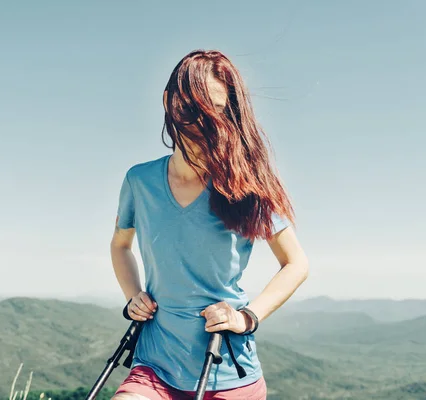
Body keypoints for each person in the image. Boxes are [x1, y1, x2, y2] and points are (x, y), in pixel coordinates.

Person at [109, 49, 309, 400]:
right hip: (154, 366)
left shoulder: (248, 185)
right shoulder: (139, 181)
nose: (201, 123)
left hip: (228, 371)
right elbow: (120, 245)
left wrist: (247, 317)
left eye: (215, 111)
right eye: (190, 109)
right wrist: (133, 296)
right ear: (168, 101)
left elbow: (296, 263)